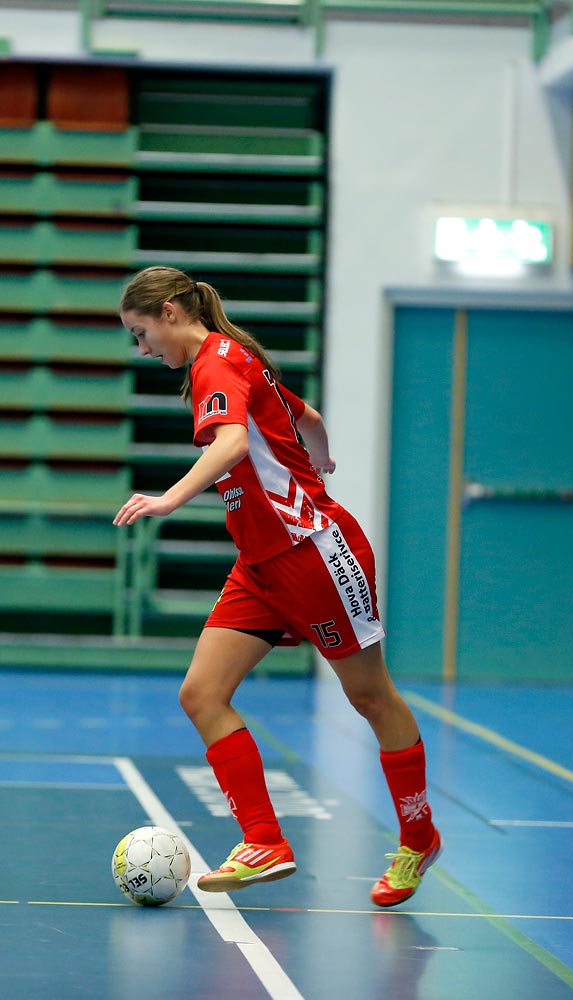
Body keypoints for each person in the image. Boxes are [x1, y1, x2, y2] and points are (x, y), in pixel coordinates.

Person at [114, 266, 441, 907]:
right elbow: (305, 415)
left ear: (173, 312)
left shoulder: (213, 364)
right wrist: (319, 455)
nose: (144, 349)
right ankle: (264, 840)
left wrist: (169, 499)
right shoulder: (235, 358)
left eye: (142, 333)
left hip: (314, 554)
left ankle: (418, 835)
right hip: (259, 565)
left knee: (371, 696)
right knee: (202, 694)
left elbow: (234, 441)